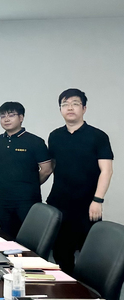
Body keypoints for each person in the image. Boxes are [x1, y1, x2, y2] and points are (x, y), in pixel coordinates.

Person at [47, 88, 113, 274]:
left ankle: (89, 290)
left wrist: (98, 200)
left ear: (84, 108)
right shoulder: (55, 136)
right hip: (59, 203)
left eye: (75, 104)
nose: (70, 108)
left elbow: (107, 170)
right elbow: (52, 166)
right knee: (61, 253)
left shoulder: (98, 136)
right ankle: (68, 287)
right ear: (60, 109)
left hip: (88, 205)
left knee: (90, 254)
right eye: (65, 104)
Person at [0, 102, 52, 238]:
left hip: (28, 200)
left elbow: (47, 169)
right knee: (6, 237)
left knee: (30, 238)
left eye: (11, 115)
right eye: (2, 116)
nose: (6, 119)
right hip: (3, 199)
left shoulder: (35, 141)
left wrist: (31, 184)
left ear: (21, 117)